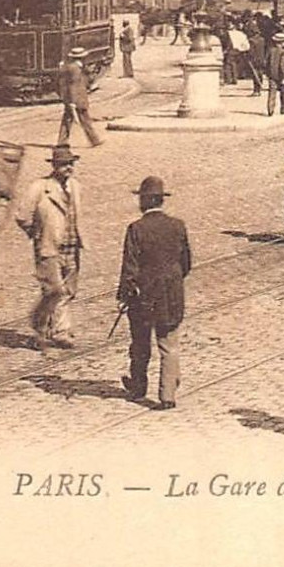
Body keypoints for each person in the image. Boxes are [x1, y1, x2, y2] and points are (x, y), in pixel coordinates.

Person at [117, 176, 191, 411]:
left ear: (144, 201)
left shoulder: (136, 229)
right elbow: (186, 262)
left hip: (144, 297)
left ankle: (138, 387)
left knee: (140, 343)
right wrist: (173, 282)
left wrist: (125, 295)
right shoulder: (178, 226)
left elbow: (129, 267)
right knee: (169, 344)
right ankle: (167, 395)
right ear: (161, 200)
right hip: (171, 296)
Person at [15, 145, 85, 349]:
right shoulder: (40, 187)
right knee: (53, 290)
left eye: (71, 164)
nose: (68, 168)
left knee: (69, 290)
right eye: (64, 164)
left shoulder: (76, 187)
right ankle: (40, 327)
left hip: (72, 246)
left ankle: (61, 331)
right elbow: (22, 215)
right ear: (54, 166)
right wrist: (36, 234)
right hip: (49, 247)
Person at [56, 47, 104, 147]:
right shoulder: (75, 69)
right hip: (78, 99)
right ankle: (94, 140)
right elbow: (73, 85)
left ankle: (62, 141)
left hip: (73, 99)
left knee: (67, 120)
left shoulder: (71, 66)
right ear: (81, 58)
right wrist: (73, 102)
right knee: (85, 120)